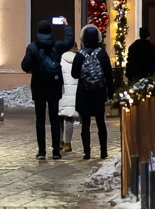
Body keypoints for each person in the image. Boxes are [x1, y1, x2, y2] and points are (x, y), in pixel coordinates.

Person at [21, 17, 74, 159]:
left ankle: (42, 151)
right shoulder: (56, 46)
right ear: (50, 31)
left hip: (39, 86)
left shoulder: (32, 47)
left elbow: (25, 66)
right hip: (54, 85)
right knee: (54, 119)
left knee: (40, 120)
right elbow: (70, 41)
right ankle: (56, 151)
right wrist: (67, 26)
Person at [71, 24, 114, 160]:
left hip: (84, 92)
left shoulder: (80, 54)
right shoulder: (102, 53)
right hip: (99, 92)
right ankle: (103, 151)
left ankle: (86, 152)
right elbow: (108, 74)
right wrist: (110, 92)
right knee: (101, 122)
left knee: (86, 123)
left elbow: (74, 74)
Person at [59, 46, 79, 153]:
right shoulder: (78, 59)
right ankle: (68, 143)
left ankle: (59, 142)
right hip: (74, 93)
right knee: (70, 119)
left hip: (62, 91)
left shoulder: (61, 58)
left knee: (60, 118)